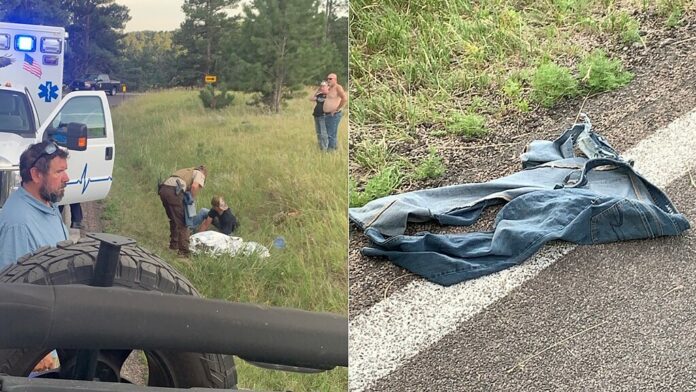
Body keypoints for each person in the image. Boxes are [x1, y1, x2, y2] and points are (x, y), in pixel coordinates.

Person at [0, 141, 70, 269]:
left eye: (65, 170)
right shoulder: (18, 226)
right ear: (36, 175)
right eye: (59, 172)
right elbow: (12, 286)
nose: (66, 178)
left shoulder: (47, 203)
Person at [158, 165, 207, 257]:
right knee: (183, 223)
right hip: (174, 192)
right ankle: (184, 252)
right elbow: (195, 186)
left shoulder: (185, 170)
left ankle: (174, 245)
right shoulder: (200, 173)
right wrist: (191, 198)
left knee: (174, 219)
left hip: (163, 190)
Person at [322, 73, 348, 150]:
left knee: (331, 134)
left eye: (330, 79)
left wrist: (336, 109)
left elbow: (344, 98)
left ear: (335, 80)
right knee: (327, 133)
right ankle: (334, 148)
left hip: (334, 114)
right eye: (328, 79)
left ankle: (331, 151)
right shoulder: (329, 89)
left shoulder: (338, 87)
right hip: (326, 114)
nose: (328, 80)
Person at [310, 81, 330, 150]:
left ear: (328, 87)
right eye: (321, 86)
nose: (322, 88)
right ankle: (320, 146)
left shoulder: (330, 95)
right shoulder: (319, 95)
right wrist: (318, 91)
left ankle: (325, 147)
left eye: (324, 86)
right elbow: (311, 98)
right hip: (316, 115)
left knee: (323, 133)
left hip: (323, 116)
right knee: (318, 132)